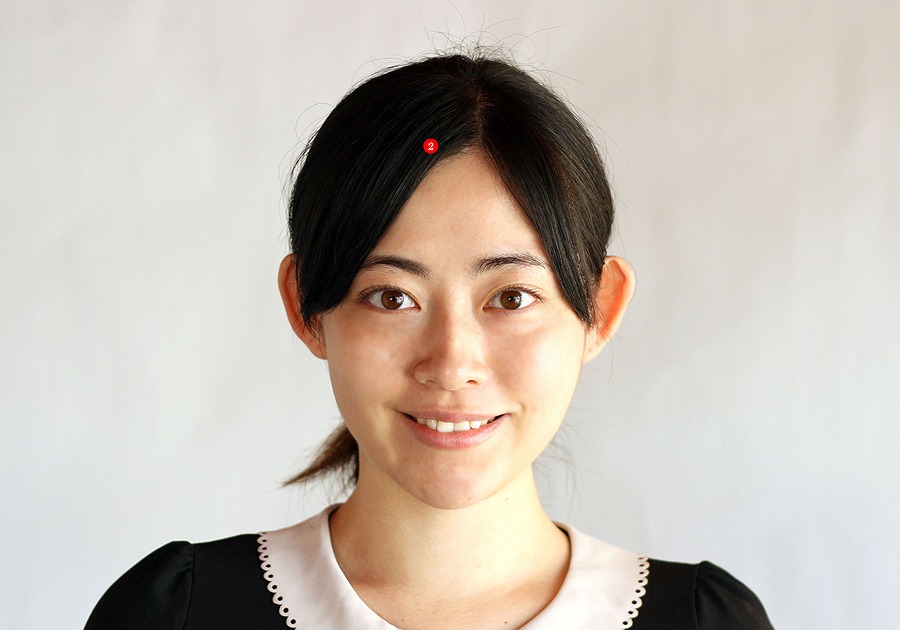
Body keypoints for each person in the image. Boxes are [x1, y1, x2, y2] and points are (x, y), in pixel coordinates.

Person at [86, 48, 774, 629]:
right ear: (306, 308)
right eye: (392, 297)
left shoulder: (704, 622)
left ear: (599, 309)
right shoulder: (175, 614)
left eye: (511, 298)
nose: (451, 362)